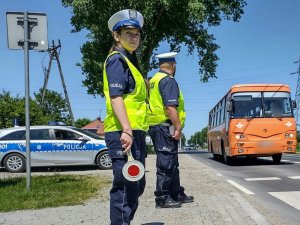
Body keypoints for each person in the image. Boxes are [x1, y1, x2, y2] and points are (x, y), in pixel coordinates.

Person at [103, 9, 148, 225]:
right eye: (128, 33)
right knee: (124, 188)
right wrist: (127, 130)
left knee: (136, 185)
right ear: (116, 35)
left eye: (137, 33)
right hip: (122, 133)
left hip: (134, 132)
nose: (134, 37)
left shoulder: (130, 61)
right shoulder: (117, 60)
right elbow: (116, 97)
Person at [148, 52, 194, 208]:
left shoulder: (153, 80)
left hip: (158, 126)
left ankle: (176, 193)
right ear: (173, 65)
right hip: (165, 126)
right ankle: (162, 198)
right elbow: (170, 107)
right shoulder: (168, 81)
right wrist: (178, 126)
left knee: (172, 162)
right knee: (166, 163)